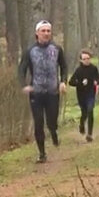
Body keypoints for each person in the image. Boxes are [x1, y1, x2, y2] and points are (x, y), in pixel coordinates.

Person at [17, 20, 68, 163]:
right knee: (38, 123)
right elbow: (21, 70)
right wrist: (24, 85)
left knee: (52, 121)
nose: (46, 33)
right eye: (43, 31)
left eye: (48, 31)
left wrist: (63, 81)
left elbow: (64, 66)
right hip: (36, 92)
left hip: (53, 92)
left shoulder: (57, 49)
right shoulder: (30, 51)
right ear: (37, 33)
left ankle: (53, 131)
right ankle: (42, 153)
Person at [68, 49, 99, 142]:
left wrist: (96, 81)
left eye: (88, 58)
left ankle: (89, 134)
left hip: (91, 93)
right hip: (81, 95)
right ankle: (82, 124)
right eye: (84, 59)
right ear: (81, 60)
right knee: (84, 113)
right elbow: (71, 82)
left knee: (90, 111)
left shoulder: (93, 68)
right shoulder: (78, 70)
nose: (87, 60)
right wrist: (80, 83)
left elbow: (98, 78)